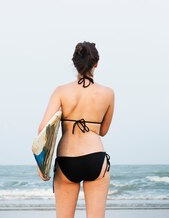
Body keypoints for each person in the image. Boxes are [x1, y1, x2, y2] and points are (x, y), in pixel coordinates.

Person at [37, 41, 115, 218]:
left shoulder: (61, 91)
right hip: (95, 157)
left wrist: (42, 167)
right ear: (96, 63)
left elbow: (43, 129)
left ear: (75, 63)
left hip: (66, 161)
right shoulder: (108, 93)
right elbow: (103, 131)